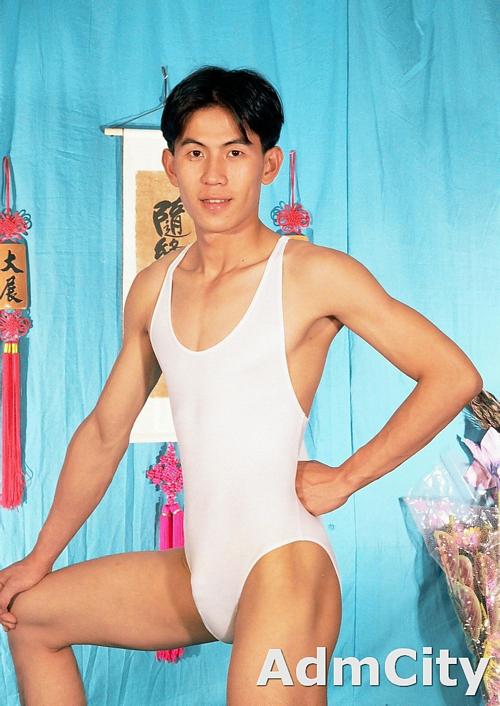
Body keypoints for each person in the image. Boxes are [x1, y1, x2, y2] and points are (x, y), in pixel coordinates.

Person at [0, 65, 483, 706]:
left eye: (235, 152)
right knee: (31, 618)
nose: (214, 175)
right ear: (171, 166)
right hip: (199, 571)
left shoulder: (312, 274)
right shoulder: (154, 288)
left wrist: (347, 477)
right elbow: (104, 433)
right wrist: (39, 557)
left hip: (285, 564)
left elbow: (453, 375)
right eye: (195, 153)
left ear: (269, 165)